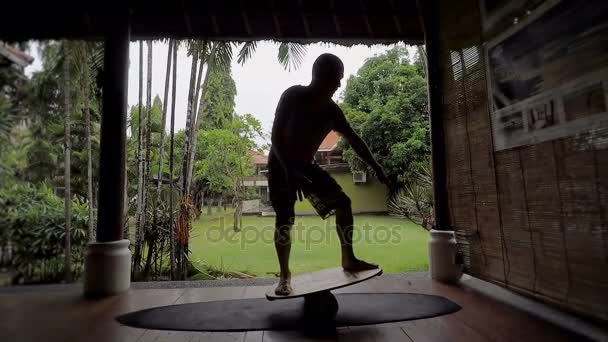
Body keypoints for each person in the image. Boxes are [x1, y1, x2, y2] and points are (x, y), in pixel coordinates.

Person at [268, 53, 390, 295]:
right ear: (319, 76)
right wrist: (289, 172)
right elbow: (276, 137)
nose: (338, 85)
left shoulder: (332, 112)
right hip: (280, 165)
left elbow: (355, 140)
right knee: (285, 220)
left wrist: (376, 167)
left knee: (343, 203)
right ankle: (284, 276)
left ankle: (349, 259)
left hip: (306, 165)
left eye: (340, 79)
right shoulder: (293, 96)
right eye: (336, 78)